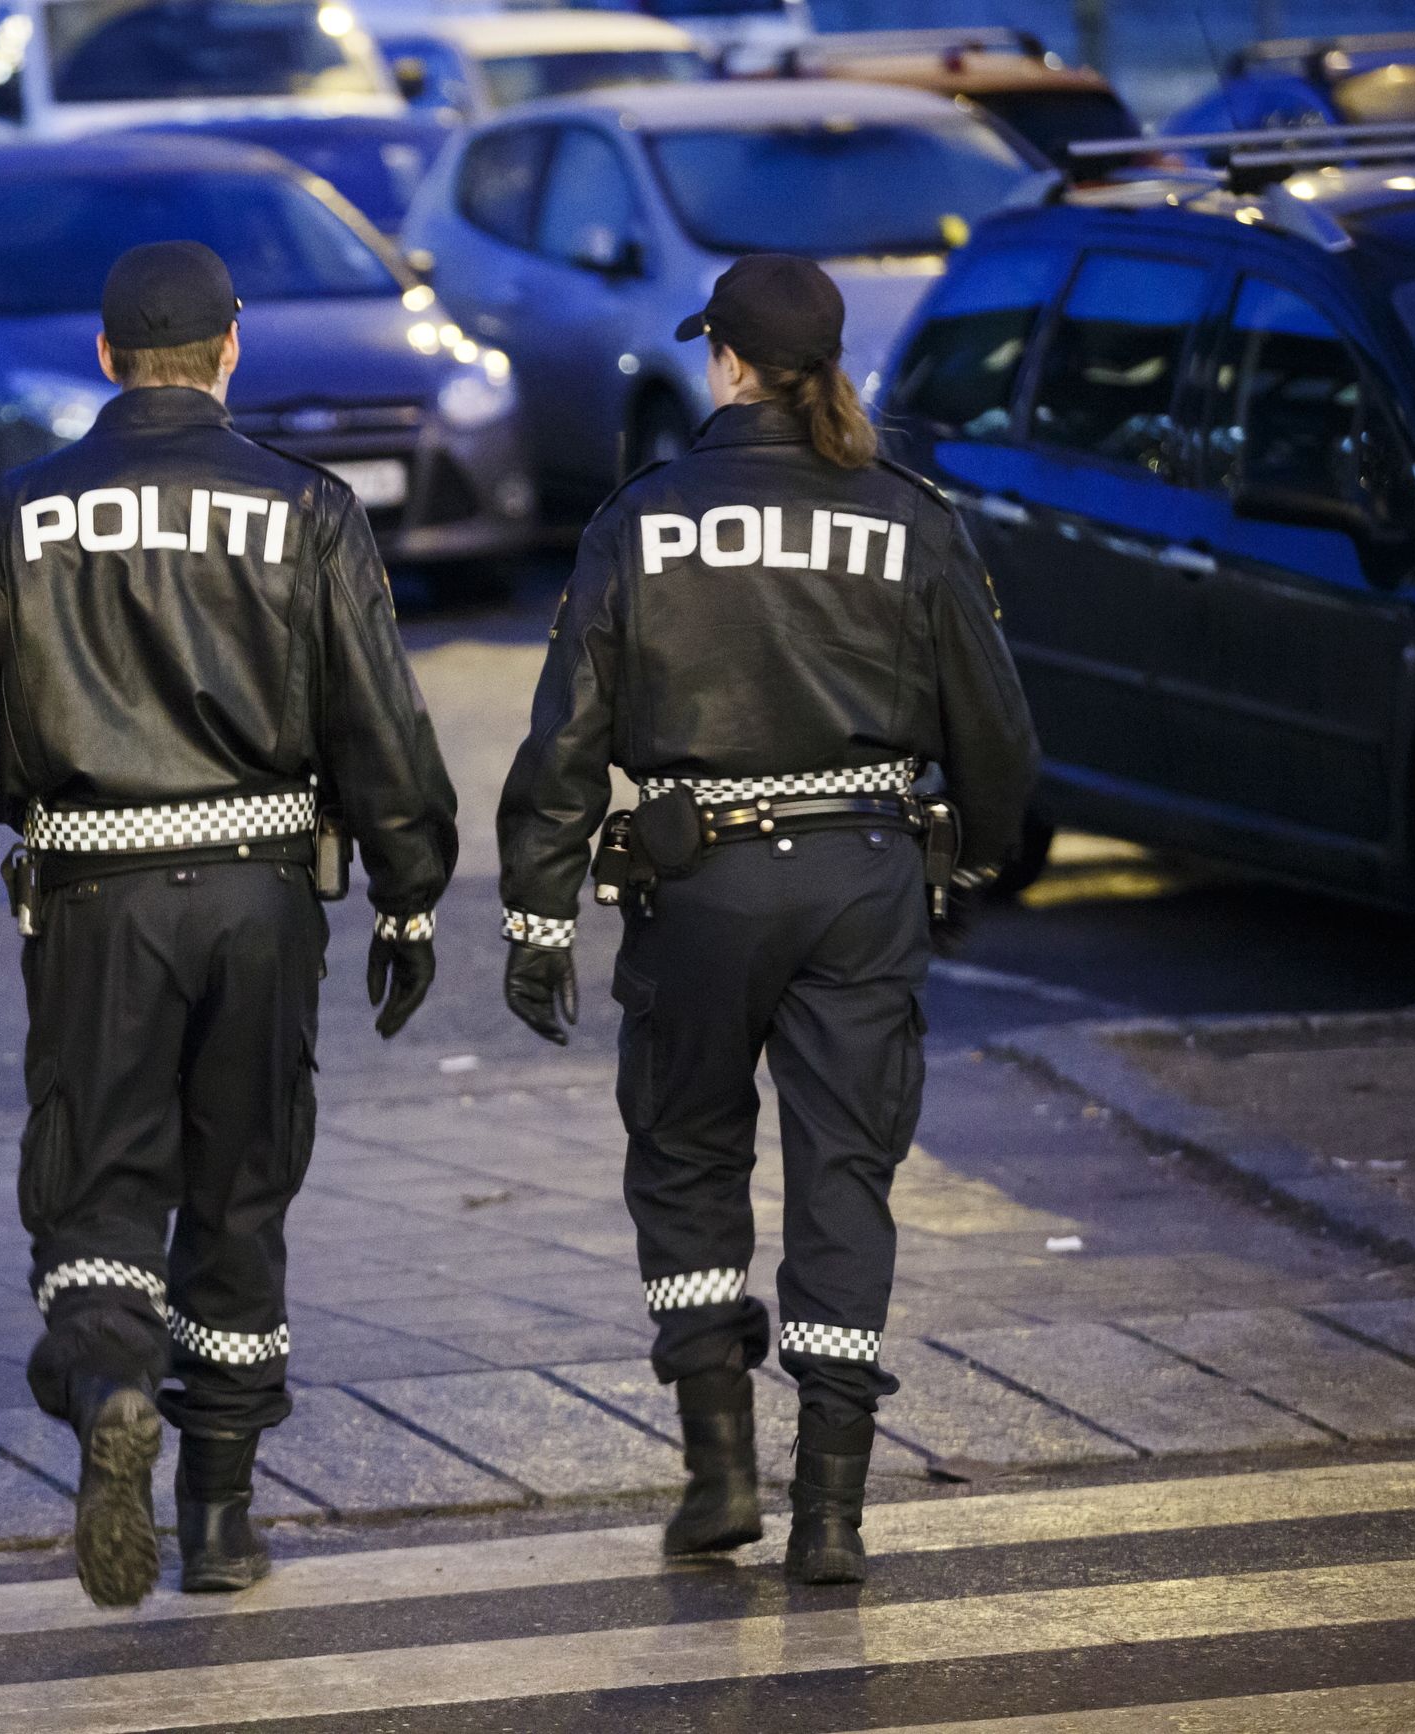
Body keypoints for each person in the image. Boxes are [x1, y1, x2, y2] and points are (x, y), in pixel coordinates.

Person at [0, 241, 459, 1608]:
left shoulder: (15, 513)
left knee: (97, 1182)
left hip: (95, 900)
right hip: (264, 895)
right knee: (241, 1188)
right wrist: (409, 891)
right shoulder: (309, 509)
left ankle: (110, 1387)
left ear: (105, 357)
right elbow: (379, 720)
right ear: (230, 351)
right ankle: (219, 1517)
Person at [495, 254, 1037, 1584]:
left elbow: (566, 734)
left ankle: (719, 1473)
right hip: (864, 880)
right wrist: (966, 869)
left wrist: (537, 909)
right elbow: (998, 737)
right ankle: (832, 1514)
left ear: (728, 363)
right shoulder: (908, 515)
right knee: (846, 1172)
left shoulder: (644, 518)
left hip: (701, 885)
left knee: (687, 1156)